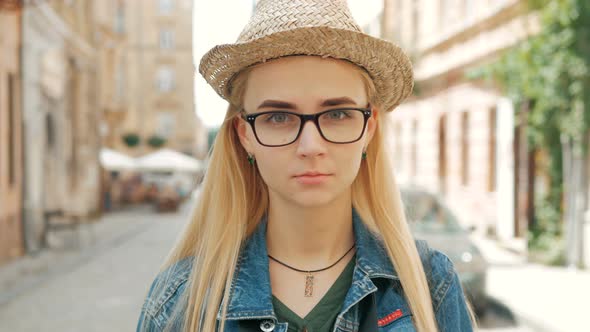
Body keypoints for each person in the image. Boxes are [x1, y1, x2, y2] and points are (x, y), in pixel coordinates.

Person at [137, 0, 475, 331]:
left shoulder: (430, 287)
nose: (310, 146)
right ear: (245, 135)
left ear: (369, 128)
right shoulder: (181, 303)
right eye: (279, 117)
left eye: (338, 114)